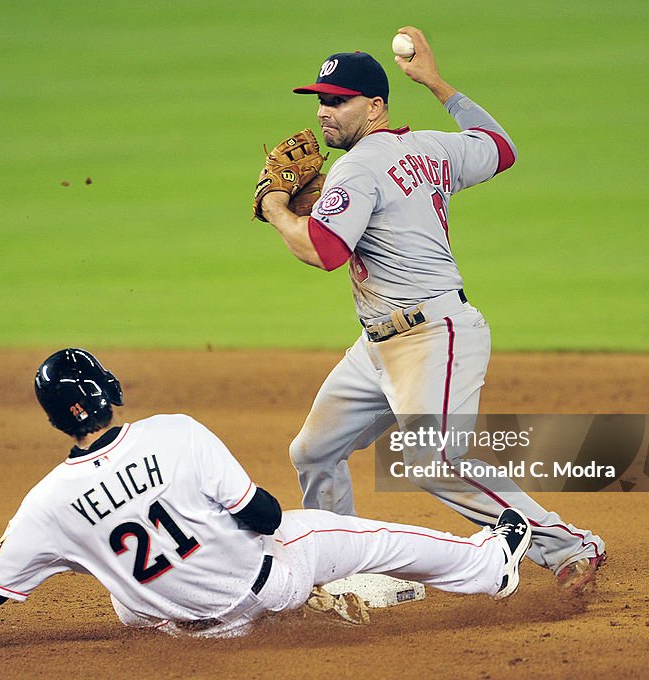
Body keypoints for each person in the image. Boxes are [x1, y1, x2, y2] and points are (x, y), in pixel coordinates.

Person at [0, 347, 532, 649]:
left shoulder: (46, 503)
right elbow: (261, 516)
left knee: (112, 581)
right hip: (262, 592)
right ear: (104, 392)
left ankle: (214, 608)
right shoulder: (174, 434)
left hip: (175, 624)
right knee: (337, 536)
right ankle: (487, 565)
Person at [257, 27, 606, 592]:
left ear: (374, 106)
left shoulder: (356, 168)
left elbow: (322, 251)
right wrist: (437, 84)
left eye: (338, 101)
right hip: (378, 345)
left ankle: (569, 547)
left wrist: (276, 207)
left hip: (433, 337)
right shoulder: (431, 147)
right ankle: (350, 574)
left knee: (429, 458)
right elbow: (500, 147)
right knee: (314, 450)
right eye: (321, 100)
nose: (324, 113)